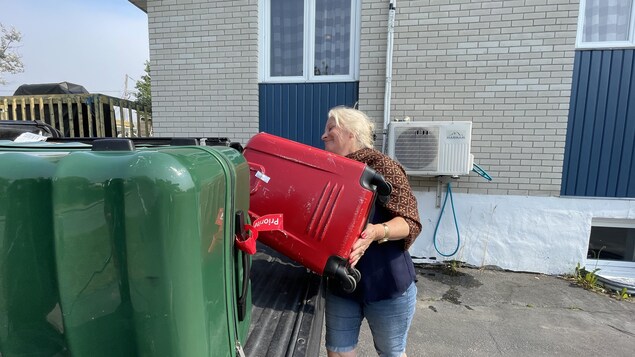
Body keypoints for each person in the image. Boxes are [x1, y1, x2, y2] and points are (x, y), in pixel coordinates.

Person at [321, 106, 422, 357]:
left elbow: (410, 222)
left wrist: (377, 231)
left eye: (330, 127)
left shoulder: (382, 166)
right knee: (338, 351)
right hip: (342, 285)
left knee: (391, 353)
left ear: (351, 132)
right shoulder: (325, 169)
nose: (323, 135)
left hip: (387, 285)